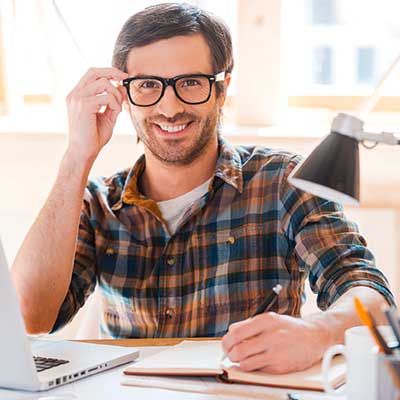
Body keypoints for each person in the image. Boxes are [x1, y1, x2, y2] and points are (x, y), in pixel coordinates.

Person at [11, 3, 394, 374]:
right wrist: (77, 157)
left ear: (222, 89)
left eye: (190, 83)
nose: (170, 107)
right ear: (124, 94)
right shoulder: (99, 201)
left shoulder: (283, 181)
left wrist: (317, 333)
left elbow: (369, 295)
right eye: (148, 86)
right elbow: (30, 316)